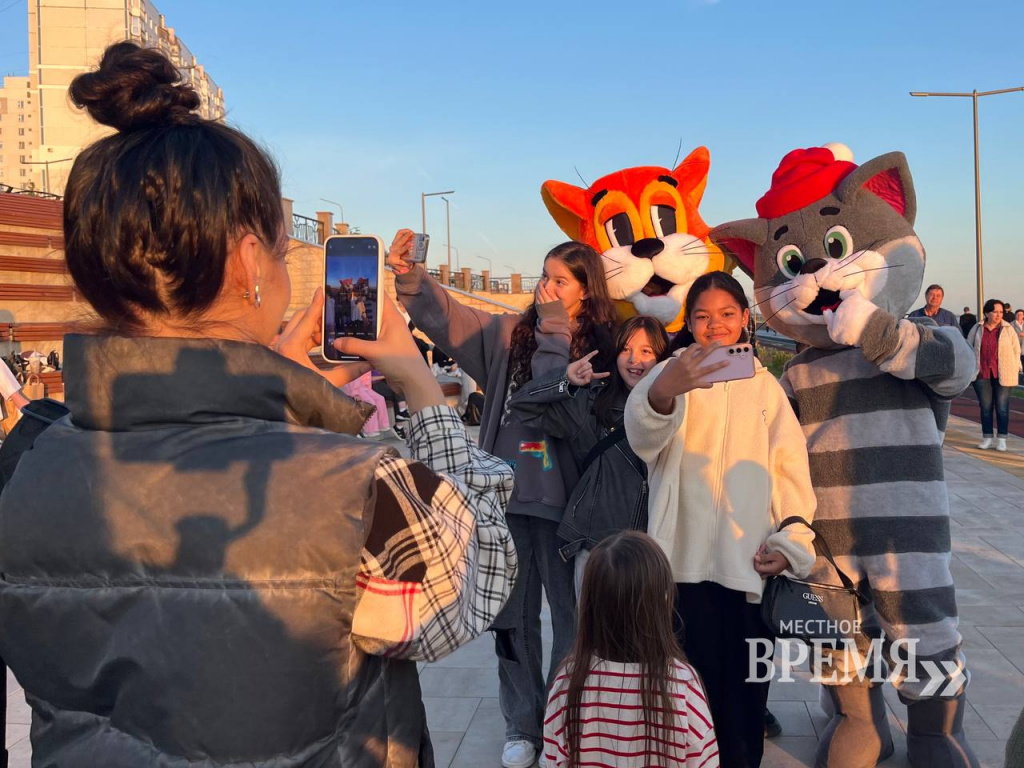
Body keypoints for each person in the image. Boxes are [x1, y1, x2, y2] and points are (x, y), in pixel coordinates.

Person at [0, 42, 517, 768]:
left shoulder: (25, 458)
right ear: (249, 263)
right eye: (278, 247)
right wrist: (424, 393)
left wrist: (279, 389)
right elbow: (477, 584)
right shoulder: (358, 487)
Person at [389, 231, 617, 768]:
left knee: (570, 620)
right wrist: (413, 280)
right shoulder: (509, 333)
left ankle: (565, 721)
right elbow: (452, 318)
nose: (547, 287)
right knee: (512, 620)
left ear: (586, 291)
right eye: (544, 276)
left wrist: (557, 333)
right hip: (506, 498)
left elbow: (553, 405)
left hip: (567, 505)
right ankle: (521, 725)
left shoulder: (600, 348)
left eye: (561, 281)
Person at [624, 271, 817, 768]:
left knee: (745, 700)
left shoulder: (766, 388)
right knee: (684, 696)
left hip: (747, 567)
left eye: (727, 315)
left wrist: (792, 542)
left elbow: (790, 469)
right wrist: (663, 390)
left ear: (745, 320)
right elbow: (643, 440)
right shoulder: (671, 374)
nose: (715, 326)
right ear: (688, 323)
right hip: (677, 569)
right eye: (703, 317)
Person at [509, 315, 669, 595]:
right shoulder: (592, 404)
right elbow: (522, 405)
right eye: (626, 350)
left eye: (646, 351)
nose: (634, 360)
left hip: (657, 551)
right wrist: (565, 379)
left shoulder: (678, 410)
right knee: (597, 637)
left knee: (648, 637)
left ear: (662, 357)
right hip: (598, 549)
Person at [542, 531, 718, 768]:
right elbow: (704, 761)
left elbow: (555, 759)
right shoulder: (681, 683)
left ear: (589, 606)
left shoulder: (567, 683)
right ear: (663, 600)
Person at [966, 299, 1022, 451]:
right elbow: (968, 347)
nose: (998, 315)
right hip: (982, 373)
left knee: (1002, 407)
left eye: (1001, 312)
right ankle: (987, 437)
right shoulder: (977, 328)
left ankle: (1002, 438)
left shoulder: (1008, 329)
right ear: (986, 312)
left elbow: (1016, 350)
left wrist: (1017, 366)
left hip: (1003, 373)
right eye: (995, 311)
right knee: (985, 407)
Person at [1013, 309, 1024, 383]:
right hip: (1015, 348)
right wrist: (1018, 334)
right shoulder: (1011, 324)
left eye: (1021, 314)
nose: (1019, 315)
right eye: (1018, 314)